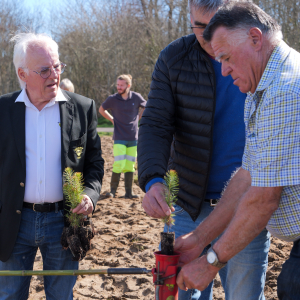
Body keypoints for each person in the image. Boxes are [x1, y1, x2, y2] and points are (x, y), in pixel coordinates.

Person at [138, 0, 271, 299]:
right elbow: (156, 123)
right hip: (187, 203)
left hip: (245, 205)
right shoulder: (174, 58)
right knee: (181, 293)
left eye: (216, 26)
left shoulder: (261, 58)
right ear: (189, 17)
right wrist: (153, 179)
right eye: (200, 27)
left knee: (244, 294)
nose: (209, 37)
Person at [174, 2, 300, 300]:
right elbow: (246, 177)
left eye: (227, 57)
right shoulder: (260, 88)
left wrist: (210, 262)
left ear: (256, 39)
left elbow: (263, 198)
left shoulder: (284, 90)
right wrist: (199, 238)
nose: (224, 69)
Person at [0, 32, 104, 300]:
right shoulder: (3, 110)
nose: (54, 75)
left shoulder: (83, 108)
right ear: (23, 74)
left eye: (57, 66)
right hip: (13, 221)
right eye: (44, 70)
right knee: (9, 294)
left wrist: (90, 196)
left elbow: (94, 163)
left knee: (61, 296)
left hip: (65, 221)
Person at [99, 74, 146, 199]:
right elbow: (101, 110)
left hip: (133, 138)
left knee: (130, 165)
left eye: (121, 85)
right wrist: (112, 119)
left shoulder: (136, 97)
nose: (118, 87)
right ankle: (113, 191)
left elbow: (146, 106)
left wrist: (138, 117)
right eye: (118, 85)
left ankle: (128, 193)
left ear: (128, 86)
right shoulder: (113, 99)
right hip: (119, 137)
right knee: (119, 163)